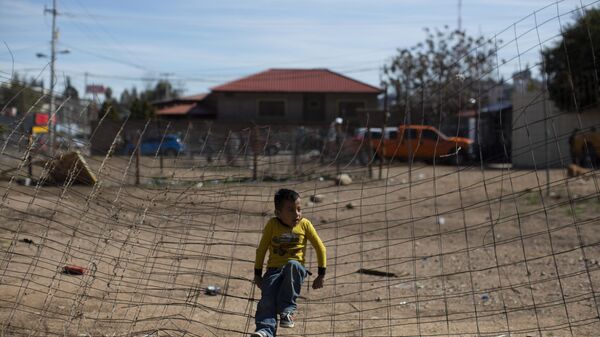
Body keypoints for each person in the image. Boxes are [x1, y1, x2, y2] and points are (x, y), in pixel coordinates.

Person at [251, 188, 327, 337]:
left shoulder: (305, 224)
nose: (297, 214)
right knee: (267, 300)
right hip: (273, 270)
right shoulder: (272, 225)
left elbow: (321, 248)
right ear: (278, 213)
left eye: (299, 209)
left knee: (293, 265)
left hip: (295, 270)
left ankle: (287, 312)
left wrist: (321, 274)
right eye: (291, 210)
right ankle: (265, 331)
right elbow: (261, 250)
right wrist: (258, 274)